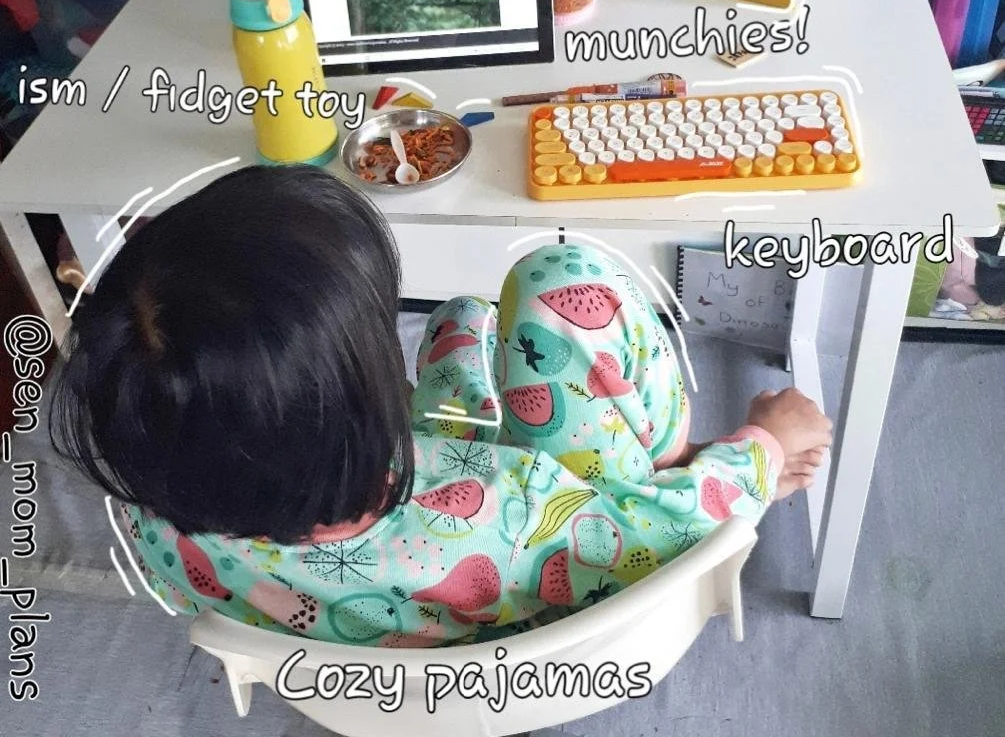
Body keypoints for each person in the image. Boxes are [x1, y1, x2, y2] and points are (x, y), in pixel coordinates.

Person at [50, 166, 832, 647]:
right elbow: (664, 538)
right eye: (374, 333)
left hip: (374, 579)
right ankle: (666, 457)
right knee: (563, 277)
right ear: (356, 410)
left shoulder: (157, 499)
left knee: (462, 319)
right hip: (530, 573)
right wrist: (761, 447)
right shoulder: (513, 506)